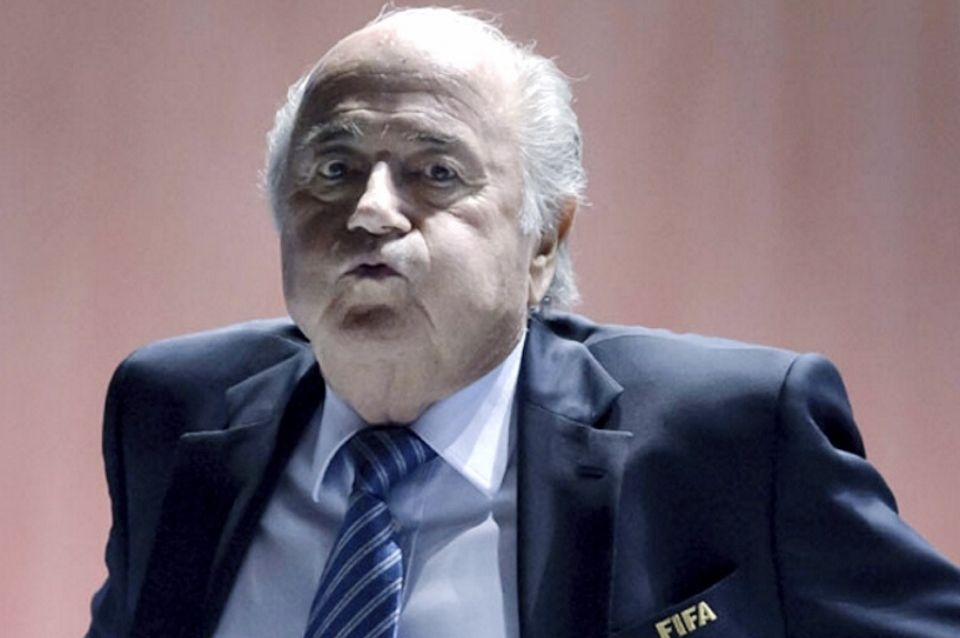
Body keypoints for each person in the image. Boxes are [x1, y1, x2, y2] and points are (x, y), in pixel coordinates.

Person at [87, 7, 960, 638]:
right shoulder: (173, 411)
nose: (371, 210)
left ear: (543, 238)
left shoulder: (732, 438)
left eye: (436, 171)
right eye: (333, 168)